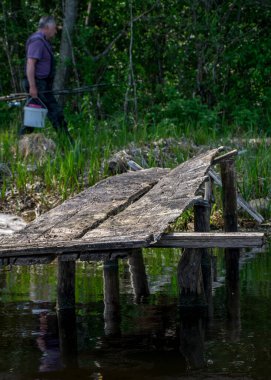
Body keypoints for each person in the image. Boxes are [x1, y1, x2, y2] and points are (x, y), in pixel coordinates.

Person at [20, 15, 73, 144]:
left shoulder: (43, 41)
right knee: (55, 113)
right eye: (54, 29)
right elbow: (30, 64)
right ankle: (69, 145)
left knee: (32, 120)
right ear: (47, 27)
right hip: (38, 84)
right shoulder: (37, 41)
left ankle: (19, 143)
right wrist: (33, 87)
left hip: (43, 85)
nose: (55, 32)